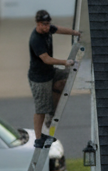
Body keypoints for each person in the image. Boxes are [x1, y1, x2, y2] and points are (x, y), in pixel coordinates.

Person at [28, 9, 80, 143]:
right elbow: (46, 59)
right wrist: (64, 62)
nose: (46, 27)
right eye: (43, 24)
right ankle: (38, 139)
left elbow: (59, 29)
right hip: (39, 79)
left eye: (48, 24)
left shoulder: (48, 29)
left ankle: (52, 112)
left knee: (67, 76)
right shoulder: (36, 39)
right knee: (40, 110)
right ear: (37, 24)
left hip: (50, 72)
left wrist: (75, 33)